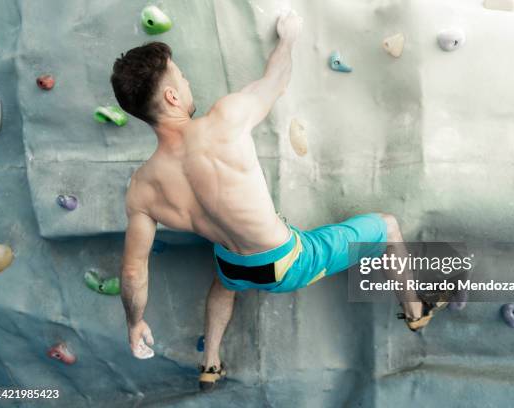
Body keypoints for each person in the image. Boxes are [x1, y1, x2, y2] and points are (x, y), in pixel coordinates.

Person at [111, 11, 439, 392]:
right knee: (386, 225)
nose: (186, 82)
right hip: (286, 263)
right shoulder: (225, 119)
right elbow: (276, 81)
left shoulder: (142, 187)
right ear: (171, 96)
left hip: (233, 263)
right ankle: (416, 310)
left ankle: (210, 362)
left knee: (224, 282)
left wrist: (135, 324)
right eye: (181, 78)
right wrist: (287, 39)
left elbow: (134, 273)